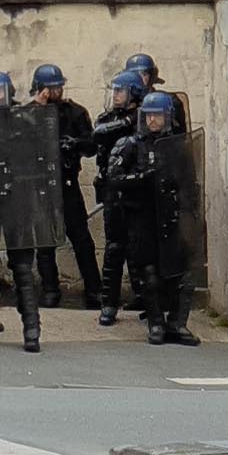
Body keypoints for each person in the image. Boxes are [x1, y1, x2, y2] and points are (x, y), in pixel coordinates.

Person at [0, 70, 57, 352]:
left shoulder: (24, 120)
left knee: (23, 266)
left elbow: (42, 153)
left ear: (8, 92)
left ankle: (31, 327)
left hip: (19, 202)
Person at [123, 91, 200, 345]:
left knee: (184, 276)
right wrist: (142, 178)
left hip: (172, 218)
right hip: (145, 218)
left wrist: (189, 212)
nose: (153, 120)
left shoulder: (178, 146)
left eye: (157, 115)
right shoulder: (132, 145)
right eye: (149, 115)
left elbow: (189, 183)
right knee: (150, 275)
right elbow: (116, 180)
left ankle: (177, 324)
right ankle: (156, 323)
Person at [28, 65, 101, 307]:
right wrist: (37, 107)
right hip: (40, 186)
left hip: (66, 183)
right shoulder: (29, 113)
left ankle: (94, 291)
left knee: (81, 238)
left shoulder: (75, 112)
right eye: (51, 87)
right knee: (44, 243)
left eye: (59, 86)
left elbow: (92, 145)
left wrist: (75, 144)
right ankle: (50, 290)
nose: (56, 91)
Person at [87, 72, 146, 326]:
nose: (116, 95)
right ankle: (108, 304)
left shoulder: (144, 117)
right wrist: (122, 123)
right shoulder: (109, 119)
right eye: (115, 91)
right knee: (114, 248)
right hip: (113, 191)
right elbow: (97, 134)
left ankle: (145, 298)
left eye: (121, 91)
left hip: (137, 192)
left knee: (141, 247)